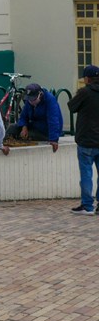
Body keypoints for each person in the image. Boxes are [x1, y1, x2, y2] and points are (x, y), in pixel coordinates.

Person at [68, 65, 99, 215]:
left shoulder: (85, 92)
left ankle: (87, 206)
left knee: (86, 174)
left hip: (86, 140)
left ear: (87, 79)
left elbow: (71, 107)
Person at [7, 83, 63, 152]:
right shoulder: (29, 101)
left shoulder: (50, 100)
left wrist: (54, 140)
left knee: (27, 136)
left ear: (40, 94)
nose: (31, 101)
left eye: (33, 99)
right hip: (34, 126)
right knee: (12, 128)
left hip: (46, 131)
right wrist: (24, 127)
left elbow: (53, 120)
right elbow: (23, 116)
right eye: (29, 99)